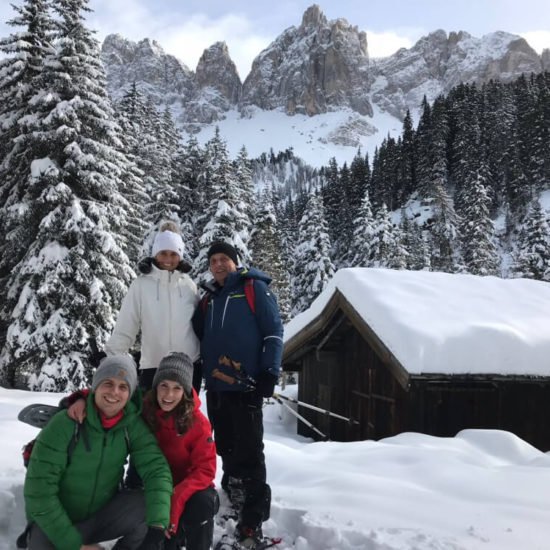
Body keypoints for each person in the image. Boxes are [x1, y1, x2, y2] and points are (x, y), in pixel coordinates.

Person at [68, 352, 218, 550]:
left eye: (177, 388)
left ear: (186, 392)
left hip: (184, 492)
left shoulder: (198, 424)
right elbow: (112, 399)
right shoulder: (144, 407)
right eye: (163, 386)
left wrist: (174, 501)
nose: (168, 395)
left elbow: (205, 471)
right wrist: (80, 398)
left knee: (204, 502)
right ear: (156, 387)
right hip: (148, 486)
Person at [23, 355, 173, 550]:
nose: (114, 392)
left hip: (98, 518)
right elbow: (39, 493)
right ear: (95, 386)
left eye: (123, 387)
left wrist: (158, 524)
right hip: (52, 523)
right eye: (108, 383)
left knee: (147, 506)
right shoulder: (64, 424)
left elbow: (156, 469)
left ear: (130, 393)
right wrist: (76, 545)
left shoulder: (131, 425)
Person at [192, 241, 284, 549]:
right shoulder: (209, 300)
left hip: (246, 387)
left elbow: (273, 332)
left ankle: (251, 522)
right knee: (226, 449)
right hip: (217, 388)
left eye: (224, 259)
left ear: (235, 261)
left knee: (250, 454)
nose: (218, 264)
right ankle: (232, 501)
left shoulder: (253, 289)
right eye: (213, 260)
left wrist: (270, 372)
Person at [103, 221, 201, 391]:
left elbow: (199, 325)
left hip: (189, 367)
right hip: (153, 366)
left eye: (173, 254)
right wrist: (110, 357)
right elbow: (127, 324)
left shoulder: (189, 285)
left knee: (186, 417)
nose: (168, 259)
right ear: (155, 254)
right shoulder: (141, 285)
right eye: (163, 253)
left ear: (180, 255)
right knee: (151, 417)